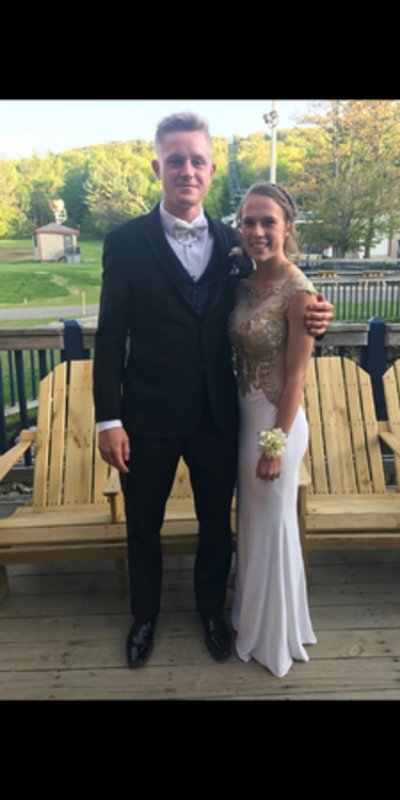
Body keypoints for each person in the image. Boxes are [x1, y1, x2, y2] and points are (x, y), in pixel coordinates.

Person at [93, 112, 333, 669]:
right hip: (147, 414)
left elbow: (280, 292)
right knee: (143, 526)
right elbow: (109, 337)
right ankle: (144, 617)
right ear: (157, 167)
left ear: (211, 168)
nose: (187, 169)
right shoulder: (125, 242)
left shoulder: (235, 242)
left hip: (220, 416)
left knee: (216, 526)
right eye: (175, 159)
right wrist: (109, 419)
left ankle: (211, 612)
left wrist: (318, 316)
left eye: (197, 160)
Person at [229, 182, 317, 677]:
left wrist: (276, 445)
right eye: (249, 221)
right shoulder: (244, 283)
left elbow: (297, 376)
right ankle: (252, 619)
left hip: (274, 423)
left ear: (287, 228)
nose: (258, 231)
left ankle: (275, 638)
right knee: (254, 524)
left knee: (273, 524)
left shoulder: (300, 292)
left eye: (268, 222)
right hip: (244, 418)